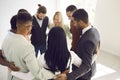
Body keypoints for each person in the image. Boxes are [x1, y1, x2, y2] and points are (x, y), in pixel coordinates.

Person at [10, 27, 82, 80]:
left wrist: (13, 72)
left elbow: (30, 76)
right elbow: (84, 66)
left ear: (49, 41)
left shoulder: (43, 58)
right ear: (64, 40)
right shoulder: (71, 56)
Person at [1, 12, 54, 80]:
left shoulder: (6, 40)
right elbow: (37, 72)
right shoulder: (27, 47)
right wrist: (53, 75)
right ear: (28, 27)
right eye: (31, 25)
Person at [56, 9, 100, 80]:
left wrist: (68, 77)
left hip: (84, 75)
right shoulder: (95, 30)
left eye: (75, 22)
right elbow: (97, 48)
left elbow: (86, 66)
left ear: (81, 22)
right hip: (89, 67)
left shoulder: (88, 40)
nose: (73, 24)